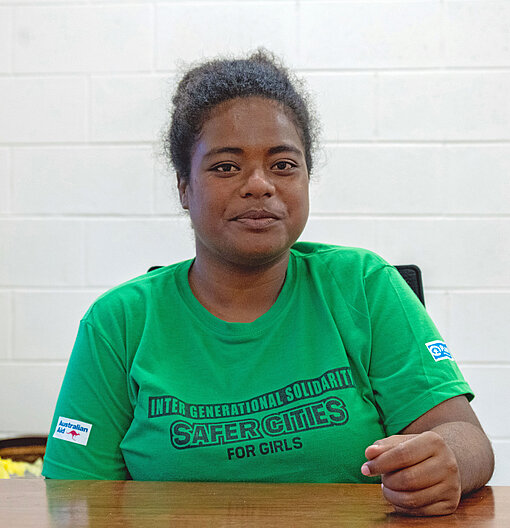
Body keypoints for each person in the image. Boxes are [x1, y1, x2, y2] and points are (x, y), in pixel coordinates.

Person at [42, 50, 494, 516]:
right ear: (183, 187)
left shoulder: (363, 285)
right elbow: (73, 497)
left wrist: (447, 459)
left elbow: (468, 438)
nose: (260, 185)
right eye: (225, 166)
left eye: (283, 165)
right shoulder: (118, 323)